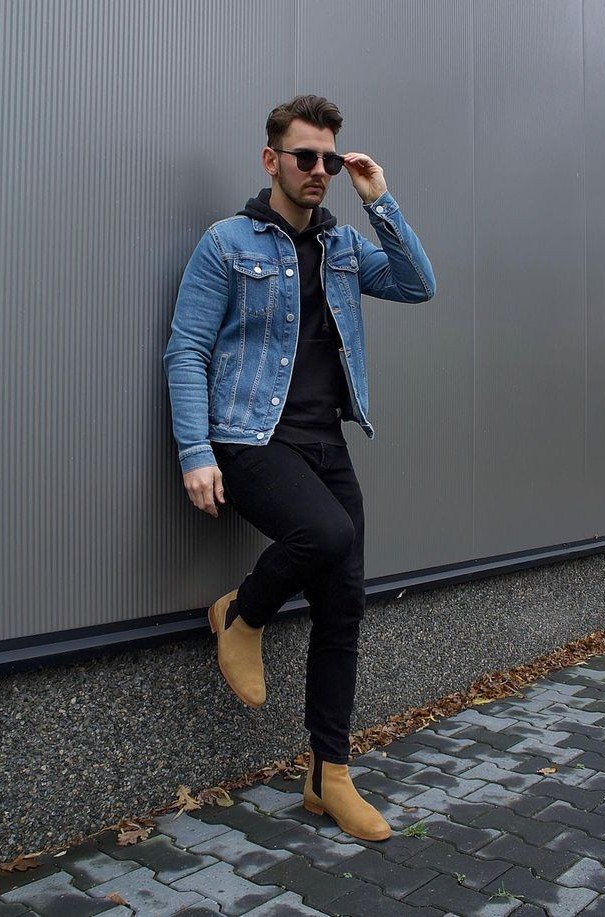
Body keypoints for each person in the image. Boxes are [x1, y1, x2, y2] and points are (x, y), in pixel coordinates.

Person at [164, 94, 435, 842]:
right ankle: (242, 612)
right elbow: (186, 349)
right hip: (248, 437)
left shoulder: (343, 245)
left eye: (329, 160)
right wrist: (195, 451)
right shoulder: (226, 243)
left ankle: (328, 775)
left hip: (325, 442)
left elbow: (417, 283)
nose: (319, 170)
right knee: (328, 534)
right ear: (271, 159)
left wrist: (379, 201)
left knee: (343, 607)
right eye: (304, 156)